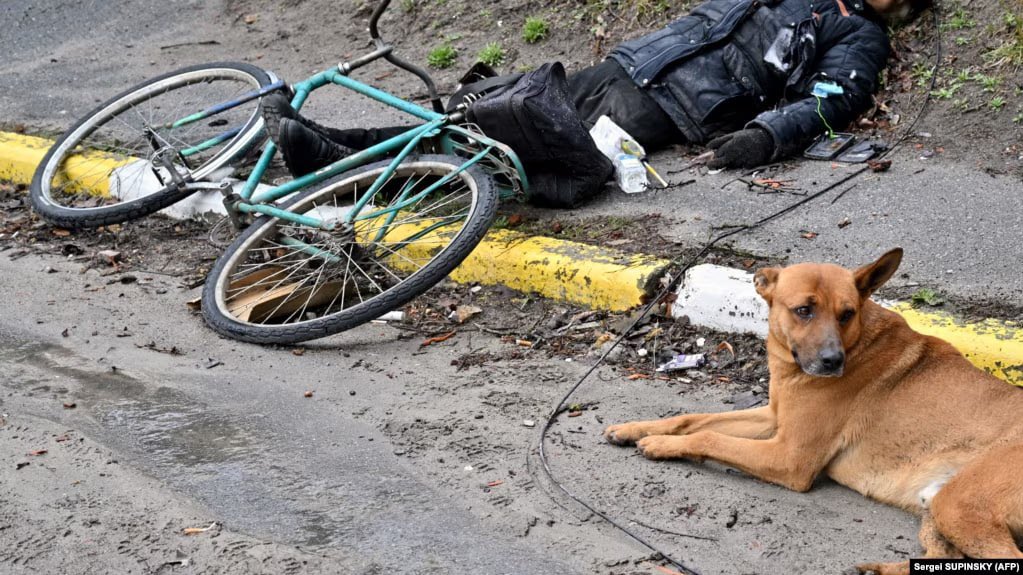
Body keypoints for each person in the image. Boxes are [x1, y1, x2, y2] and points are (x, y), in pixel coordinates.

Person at [262, 0, 926, 179]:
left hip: (668, 107)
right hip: (630, 64)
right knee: (484, 109)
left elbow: (830, 101)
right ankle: (332, 150)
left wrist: (761, 136)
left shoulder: (860, 36)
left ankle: (338, 158)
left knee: (507, 147)